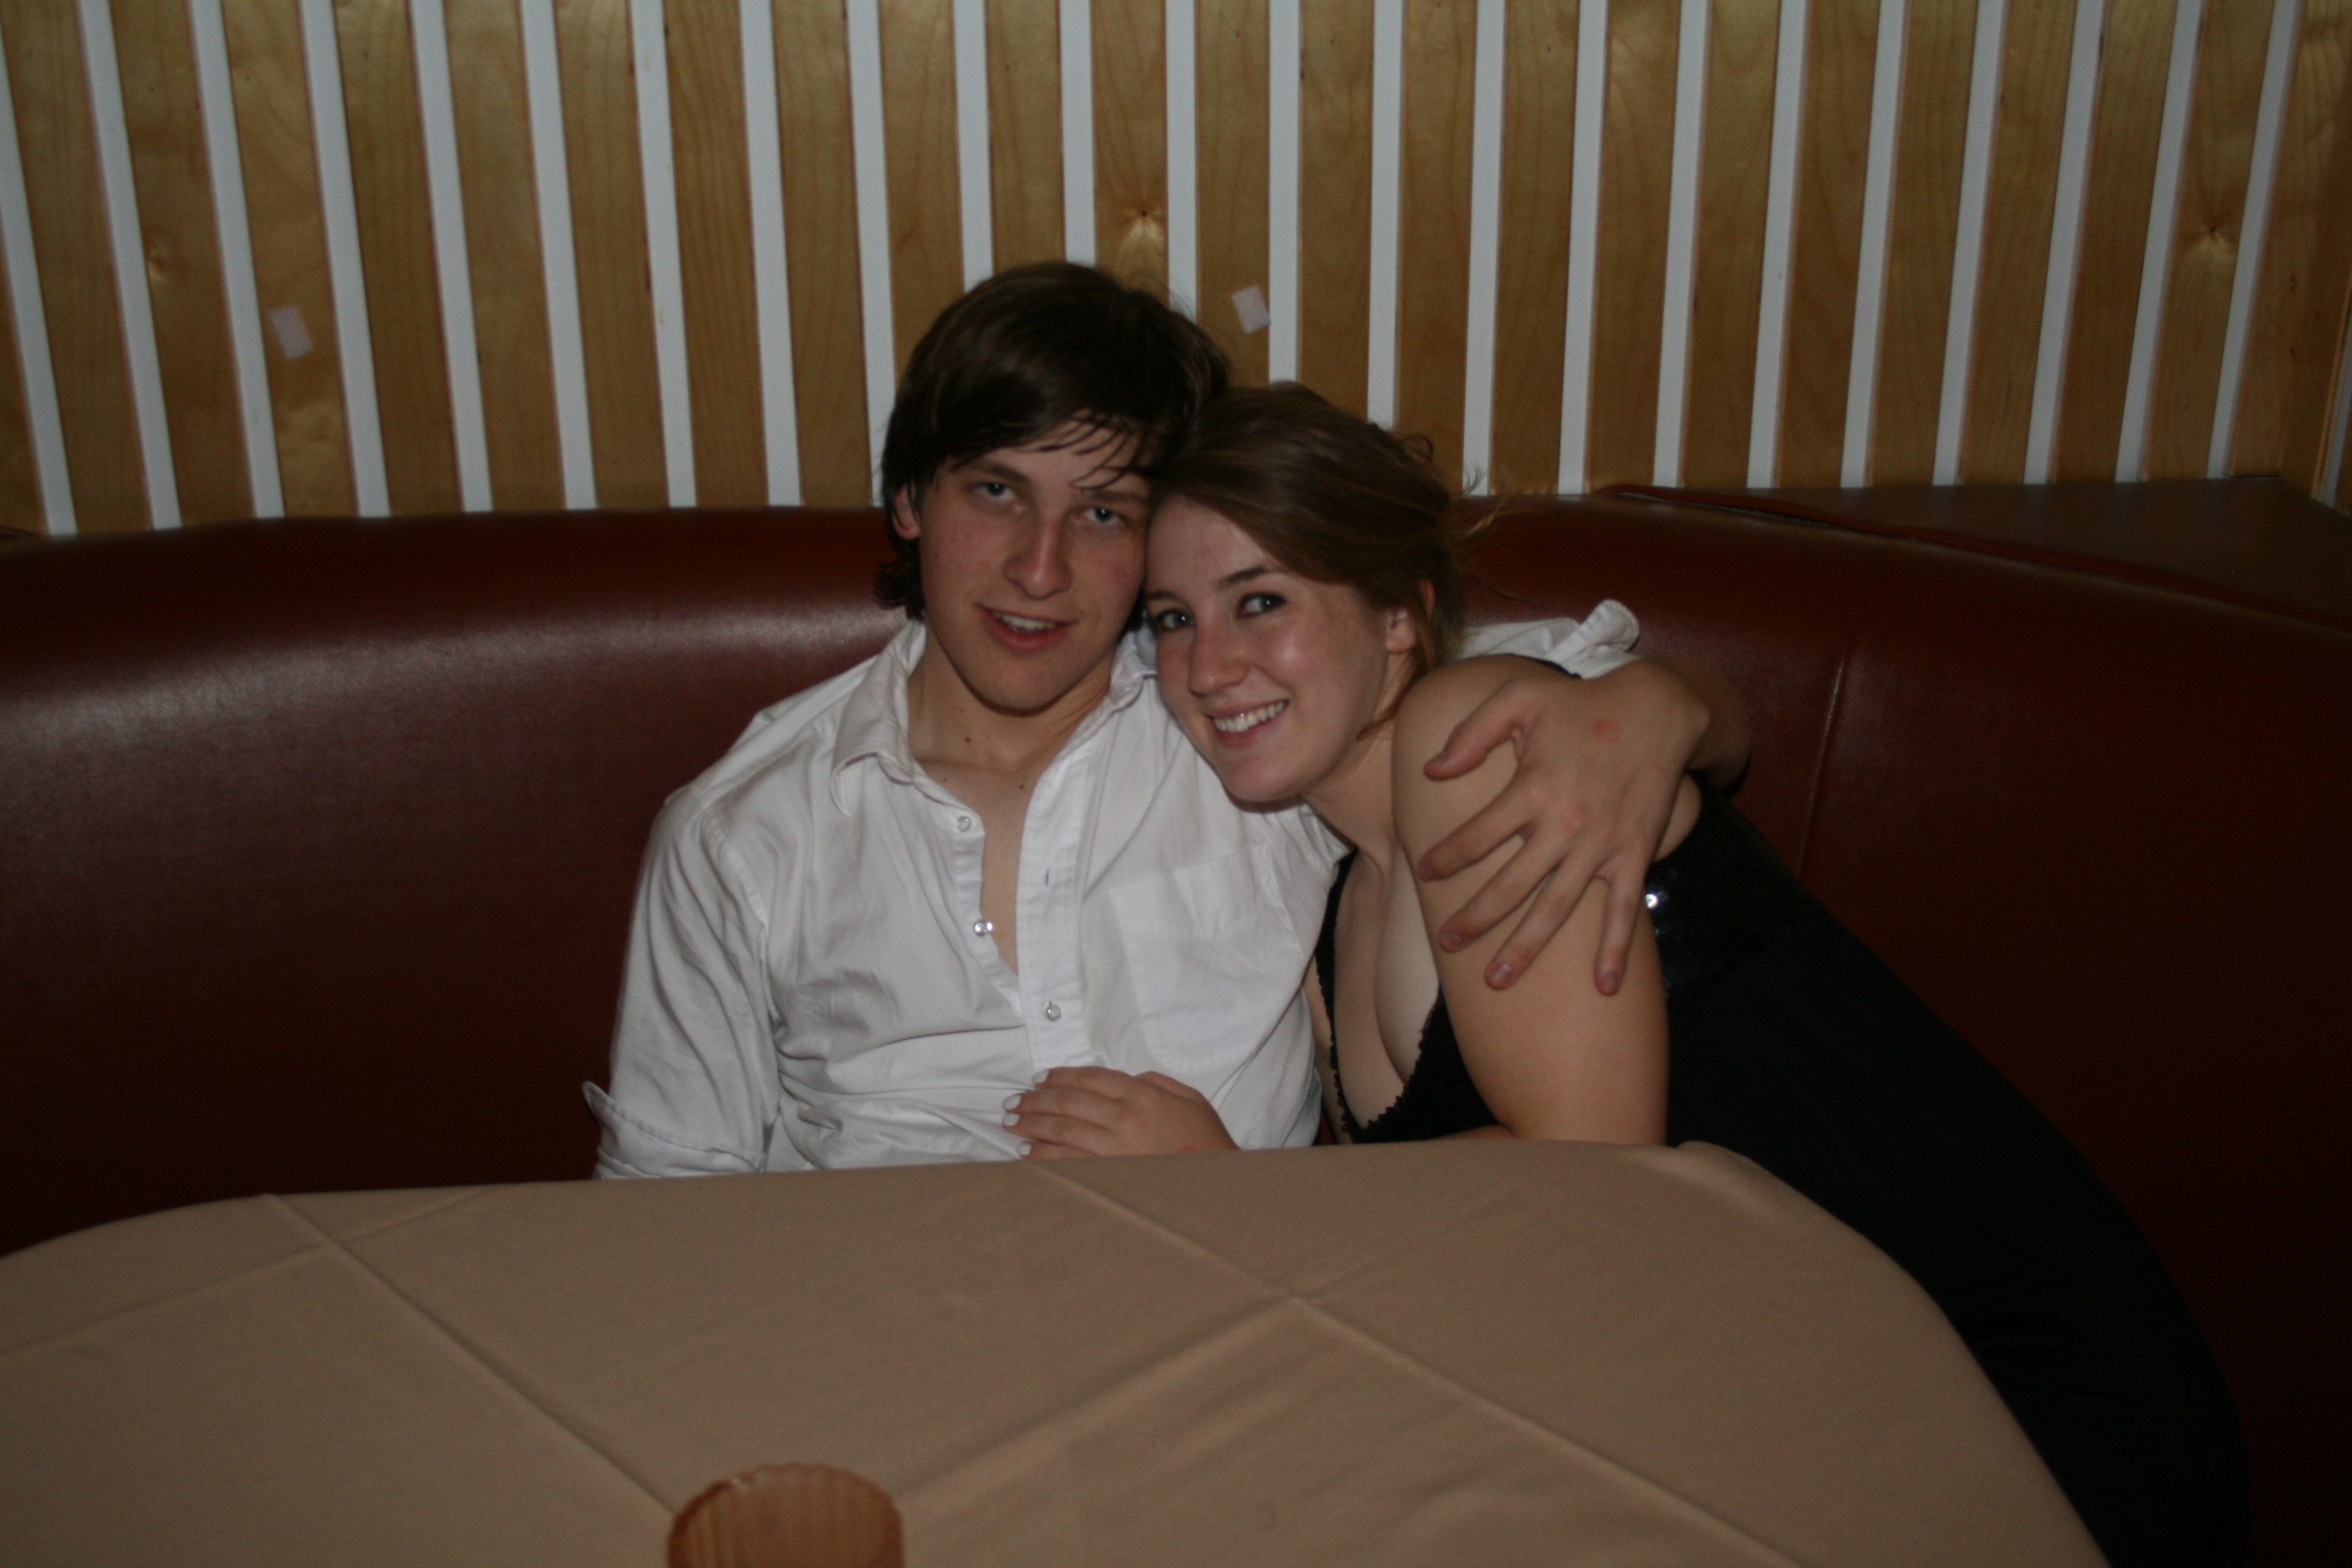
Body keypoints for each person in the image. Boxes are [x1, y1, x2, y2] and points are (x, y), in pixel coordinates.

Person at [1019, 383, 2248, 1568]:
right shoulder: (1341, 897)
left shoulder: (1477, 742)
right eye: (1172, 619)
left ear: (1399, 612)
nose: (1208, 665)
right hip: (1787, 1405)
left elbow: (1592, 1184)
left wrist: (1241, 1198)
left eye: (1260, 601)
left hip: (2003, 1393)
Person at [589, 263, 1745, 1177]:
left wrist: (1671, 703)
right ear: (907, 499)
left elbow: (1528, 670)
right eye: (996, 490)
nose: (1040, 569)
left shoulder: (1243, 724)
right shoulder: (742, 834)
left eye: (1103, 512)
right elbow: (667, 1209)